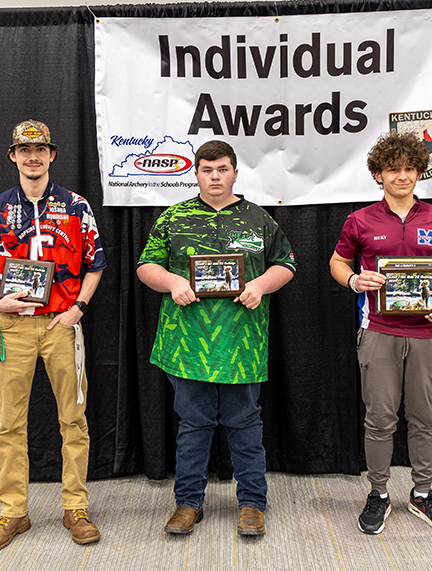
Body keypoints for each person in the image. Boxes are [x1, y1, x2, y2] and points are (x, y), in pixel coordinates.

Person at [137, 140, 296, 537]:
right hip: (187, 343)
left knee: (245, 424)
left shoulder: (259, 218)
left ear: (235, 173)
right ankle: (188, 503)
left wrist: (260, 284)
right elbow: (145, 265)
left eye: (222, 169)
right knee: (193, 424)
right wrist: (172, 281)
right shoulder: (174, 217)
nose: (215, 177)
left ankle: (253, 504)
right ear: (196, 174)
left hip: (242, 343)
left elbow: (287, 264)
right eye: (207, 170)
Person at [0, 120, 107, 551]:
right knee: (10, 422)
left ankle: (76, 507)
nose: (33, 157)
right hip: (12, 326)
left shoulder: (75, 206)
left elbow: (95, 263)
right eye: (24, 150)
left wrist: (78, 309)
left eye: (40, 149)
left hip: (60, 325)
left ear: (52, 155)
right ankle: (13, 512)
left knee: (73, 417)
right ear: (13, 156)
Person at [329, 132, 432, 535]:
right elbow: (337, 261)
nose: (401, 176)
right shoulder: (360, 220)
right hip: (379, 332)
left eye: (409, 169)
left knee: (424, 420)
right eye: (393, 169)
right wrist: (354, 280)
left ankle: (422, 494)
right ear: (378, 175)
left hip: (426, 335)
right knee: (380, 419)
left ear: (419, 172)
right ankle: (379, 494)